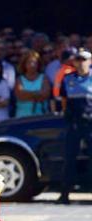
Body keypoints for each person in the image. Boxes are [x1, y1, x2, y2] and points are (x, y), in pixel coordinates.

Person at [58, 49, 92, 204]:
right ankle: (64, 194)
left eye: (84, 59)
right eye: (78, 59)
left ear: (90, 61)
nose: (81, 62)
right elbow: (63, 101)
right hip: (74, 123)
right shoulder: (67, 79)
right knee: (69, 158)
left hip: (90, 124)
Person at [15, 50, 50, 118]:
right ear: (24, 64)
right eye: (29, 62)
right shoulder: (19, 79)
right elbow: (20, 95)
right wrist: (37, 94)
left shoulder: (44, 78)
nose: (32, 65)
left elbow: (45, 95)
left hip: (41, 116)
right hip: (22, 116)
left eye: (35, 62)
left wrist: (27, 94)